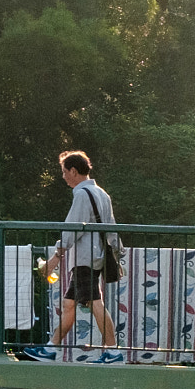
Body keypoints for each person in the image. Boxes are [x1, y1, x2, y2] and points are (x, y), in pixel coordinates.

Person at [20, 152, 122, 363]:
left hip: (85, 257)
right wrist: (118, 252)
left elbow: (72, 229)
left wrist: (57, 255)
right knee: (68, 304)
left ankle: (113, 351)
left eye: (65, 172)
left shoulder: (82, 194)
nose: (64, 176)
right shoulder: (102, 193)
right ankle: (51, 348)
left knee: (95, 303)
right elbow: (112, 227)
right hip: (96, 256)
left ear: (74, 171)